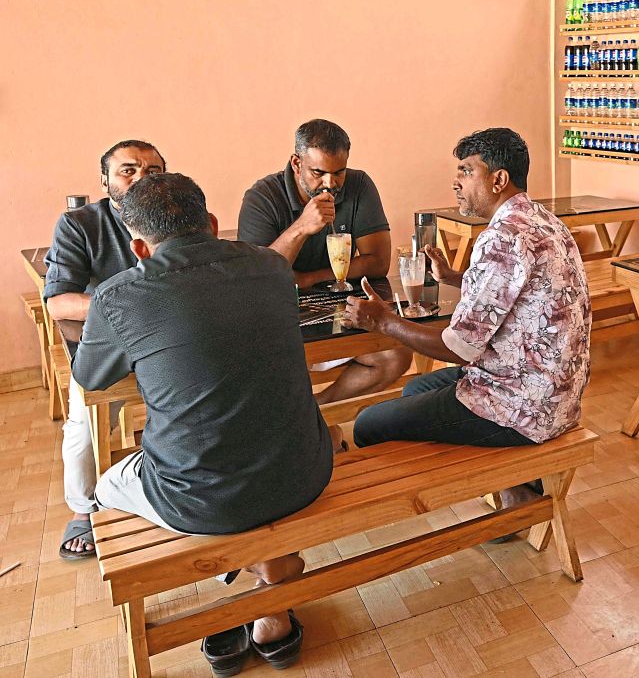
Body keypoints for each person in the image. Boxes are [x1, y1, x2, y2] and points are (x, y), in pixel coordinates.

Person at [76, 173, 334, 674]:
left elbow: (91, 377)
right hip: (305, 472)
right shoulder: (271, 267)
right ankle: (271, 595)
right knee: (250, 442)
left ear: (138, 247)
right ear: (213, 224)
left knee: (103, 491)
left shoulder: (118, 296)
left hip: (201, 501)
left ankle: (231, 582)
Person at [342, 128, 591, 511]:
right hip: (555, 394)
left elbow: (458, 349)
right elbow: (520, 287)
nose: (456, 182)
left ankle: (414, 500)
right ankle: (516, 489)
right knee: (414, 391)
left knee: (368, 424)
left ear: (499, 179)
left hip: (523, 407)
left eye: (466, 171)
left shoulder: (503, 236)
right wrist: (458, 279)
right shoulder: (540, 220)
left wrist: (383, 321)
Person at [43, 139, 166, 560]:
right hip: (110, 339)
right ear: (105, 181)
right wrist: (131, 304)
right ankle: (81, 510)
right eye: (128, 170)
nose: (140, 179)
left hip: (171, 334)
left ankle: (171, 481)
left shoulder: (178, 215)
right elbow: (59, 302)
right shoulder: (80, 224)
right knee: (84, 422)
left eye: (152, 171)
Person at [238, 119, 411, 404]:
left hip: (338, 311)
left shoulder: (358, 185)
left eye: (338, 172)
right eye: (318, 172)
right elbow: (259, 278)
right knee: (262, 368)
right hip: (277, 318)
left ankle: (316, 414)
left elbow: (378, 262)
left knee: (397, 354)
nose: (330, 183)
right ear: (296, 163)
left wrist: (309, 278)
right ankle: (302, 426)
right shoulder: (261, 198)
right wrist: (302, 227)